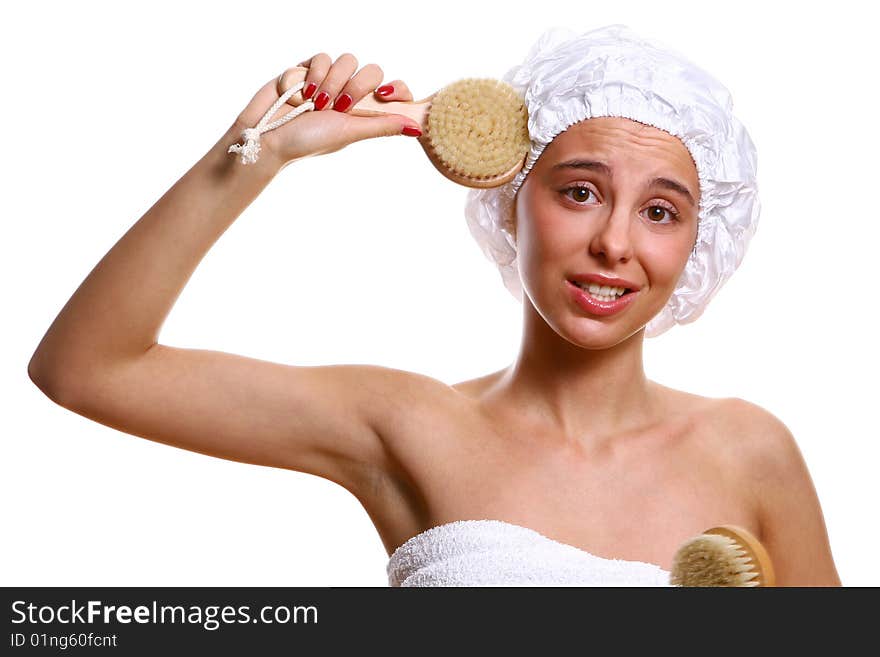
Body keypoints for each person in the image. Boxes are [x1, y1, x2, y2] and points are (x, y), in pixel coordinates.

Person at [27, 25, 841, 586]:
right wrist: (259, 152)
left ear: (702, 238)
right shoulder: (412, 426)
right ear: (511, 193)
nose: (615, 243)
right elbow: (86, 367)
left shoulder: (749, 452)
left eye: (660, 210)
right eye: (581, 191)